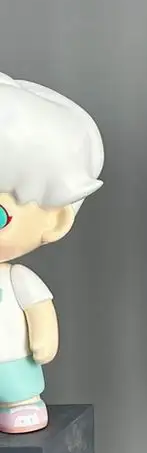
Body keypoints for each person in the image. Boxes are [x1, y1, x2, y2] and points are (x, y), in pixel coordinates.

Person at [0, 73, 104, 433]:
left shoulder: (17, 279)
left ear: (56, 220)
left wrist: (43, 338)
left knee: (14, 384)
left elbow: (39, 309)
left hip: (11, 361)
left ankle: (21, 403)